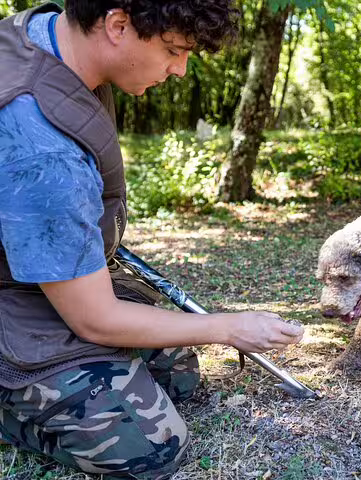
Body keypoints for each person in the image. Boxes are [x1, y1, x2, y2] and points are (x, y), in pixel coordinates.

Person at [0, 1, 304, 478]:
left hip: (31, 274)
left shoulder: (50, 37)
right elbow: (95, 319)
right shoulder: (40, 141)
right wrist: (230, 327)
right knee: (150, 447)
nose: (180, 70)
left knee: (180, 375)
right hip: (12, 297)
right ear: (117, 25)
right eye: (172, 51)